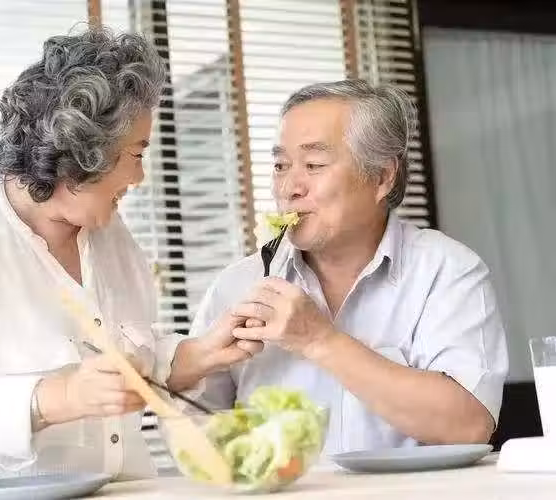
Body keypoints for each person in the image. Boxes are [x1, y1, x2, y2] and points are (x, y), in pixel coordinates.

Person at [0, 27, 260, 494]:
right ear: (82, 151)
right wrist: (62, 396)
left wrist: (202, 354)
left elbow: (133, 362)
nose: (140, 176)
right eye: (135, 154)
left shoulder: (108, 234)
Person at [189, 80, 509, 453]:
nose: (289, 188)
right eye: (280, 166)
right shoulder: (237, 286)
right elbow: (193, 428)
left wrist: (320, 340)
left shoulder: (447, 272)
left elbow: (468, 425)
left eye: (313, 165)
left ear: (381, 176)